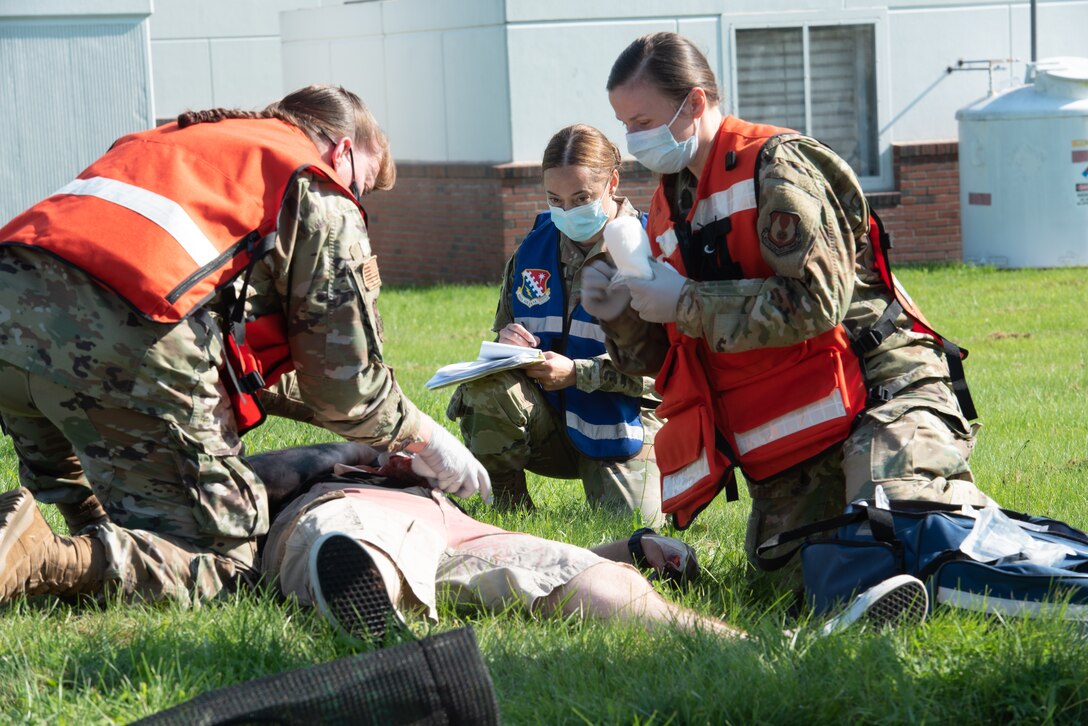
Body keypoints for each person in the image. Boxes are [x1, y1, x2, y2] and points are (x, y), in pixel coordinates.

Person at [0, 85, 488, 606]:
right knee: (229, 563)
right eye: (361, 186)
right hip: (123, 342)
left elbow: (253, 360)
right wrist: (424, 437)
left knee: (115, 500)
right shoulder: (314, 185)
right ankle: (42, 556)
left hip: (11, 327)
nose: (355, 199)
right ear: (343, 151)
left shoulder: (182, 143)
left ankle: (63, 541)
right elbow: (346, 388)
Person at [580, 32, 994, 576]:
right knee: (792, 583)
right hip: (802, 424)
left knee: (902, 536)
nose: (632, 138)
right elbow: (672, 359)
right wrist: (624, 317)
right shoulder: (665, 207)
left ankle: (1019, 561)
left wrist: (684, 300)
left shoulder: (777, 166)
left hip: (880, 388)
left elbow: (816, 302)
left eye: (641, 120)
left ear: (695, 103)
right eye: (624, 123)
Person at [252, 441, 739, 641]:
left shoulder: (426, 484)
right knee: (352, 539)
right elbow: (251, 483)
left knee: (572, 573)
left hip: (455, 527)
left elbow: (533, 562)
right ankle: (376, 618)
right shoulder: (322, 474)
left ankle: (730, 641)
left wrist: (630, 549)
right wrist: (375, 458)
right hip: (349, 508)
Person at [446, 124, 663, 524]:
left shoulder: (650, 249)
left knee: (636, 530)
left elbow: (669, 373)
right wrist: (507, 343)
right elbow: (503, 331)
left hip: (621, 420)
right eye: (554, 199)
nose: (567, 212)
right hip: (549, 420)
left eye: (581, 198)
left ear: (612, 182)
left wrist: (577, 373)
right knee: (485, 390)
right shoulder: (533, 248)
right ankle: (509, 507)